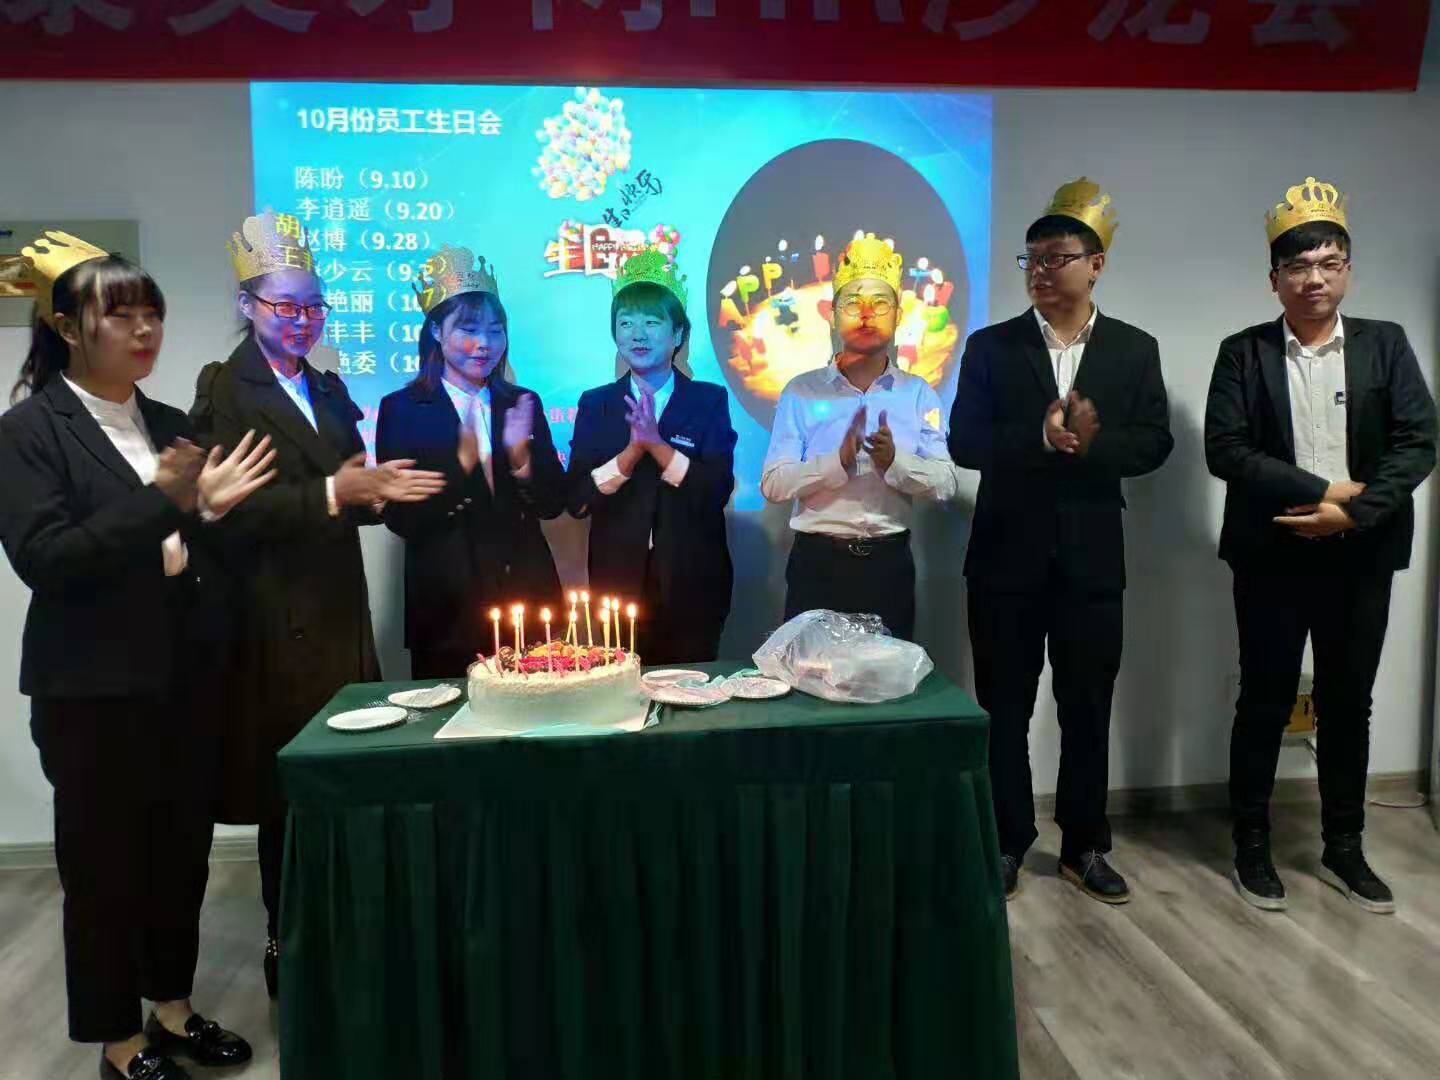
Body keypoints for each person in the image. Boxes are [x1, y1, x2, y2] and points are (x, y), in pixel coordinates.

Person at [0, 232, 272, 1079]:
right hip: (92, 688)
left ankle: (173, 1008)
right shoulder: (28, 431)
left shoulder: (166, 423)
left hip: (180, 675)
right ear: (67, 328)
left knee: (179, 855)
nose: (144, 330)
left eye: (153, 314)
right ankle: (118, 1040)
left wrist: (208, 512)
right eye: (120, 316)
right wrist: (164, 500)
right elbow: (48, 558)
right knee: (104, 870)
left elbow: (181, 546)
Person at [189, 211, 445, 996]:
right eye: (284, 306)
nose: (302, 320)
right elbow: (227, 512)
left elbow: (350, 488)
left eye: (313, 306)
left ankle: (353, 931)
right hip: (274, 615)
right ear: (247, 305)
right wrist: (338, 491)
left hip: (338, 608)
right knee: (291, 790)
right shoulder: (225, 390)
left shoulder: (328, 388)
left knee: (347, 772)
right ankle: (288, 939)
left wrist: (377, 492)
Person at [1205, 176, 1436, 914]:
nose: (1314, 278)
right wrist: (1324, 489)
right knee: (1264, 700)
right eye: (1299, 266)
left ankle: (1344, 846)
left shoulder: (1385, 344)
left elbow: (1418, 440)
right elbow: (1226, 450)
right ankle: (1251, 845)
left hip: (1360, 553)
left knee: (1347, 702)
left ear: (1348, 271)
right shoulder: (1242, 352)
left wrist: (1353, 513)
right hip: (1271, 553)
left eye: (1329, 263)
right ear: (1273, 278)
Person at [949, 179, 1173, 904]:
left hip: (1092, 560)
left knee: (1087, 708)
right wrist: (1040, 438)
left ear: (1095, 265)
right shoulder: (991, 347)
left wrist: (1092, 444)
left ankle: (1084, 845)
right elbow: (964, 442)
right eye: (1032, 260)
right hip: (1004, 557)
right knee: (1004, 708)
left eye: (1057, 258)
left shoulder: (1134, 349)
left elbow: (1155, 443)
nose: (1042, 272)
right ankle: (1007, 839)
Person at [376, 246, 566, 677]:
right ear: (436, 331)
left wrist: (521, 461)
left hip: (527, 601)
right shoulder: (402, 409)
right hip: (447, 607)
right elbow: (400, 519)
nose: (484, 344)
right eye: (468, 329)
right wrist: (459, 468)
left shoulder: (522, 402)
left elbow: (553, 504)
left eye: (495, 331)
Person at [761, 233, 959, 641]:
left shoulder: (918, 393)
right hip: (818, 563)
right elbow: (774, 484)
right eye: (853, 303)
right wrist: (836, 463)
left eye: (880, 303)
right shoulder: (801, 391)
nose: (867, 314)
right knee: (810, 674)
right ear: (831, 314)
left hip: (888, 565)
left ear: (898, 315)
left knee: (886, 676)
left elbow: (945, 483)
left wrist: (894, 463)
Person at [567, 247, 736, 664]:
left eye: (652, 322)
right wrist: (630, 453)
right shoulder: (597, 404)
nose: (637, 335)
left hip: (694, 581)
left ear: (678, 334)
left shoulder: (707, 400)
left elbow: (715, 491)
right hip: (617, 586)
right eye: (626, 323)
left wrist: (658, 446)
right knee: (622, 689)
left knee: (693, 688)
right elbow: (577, 499)